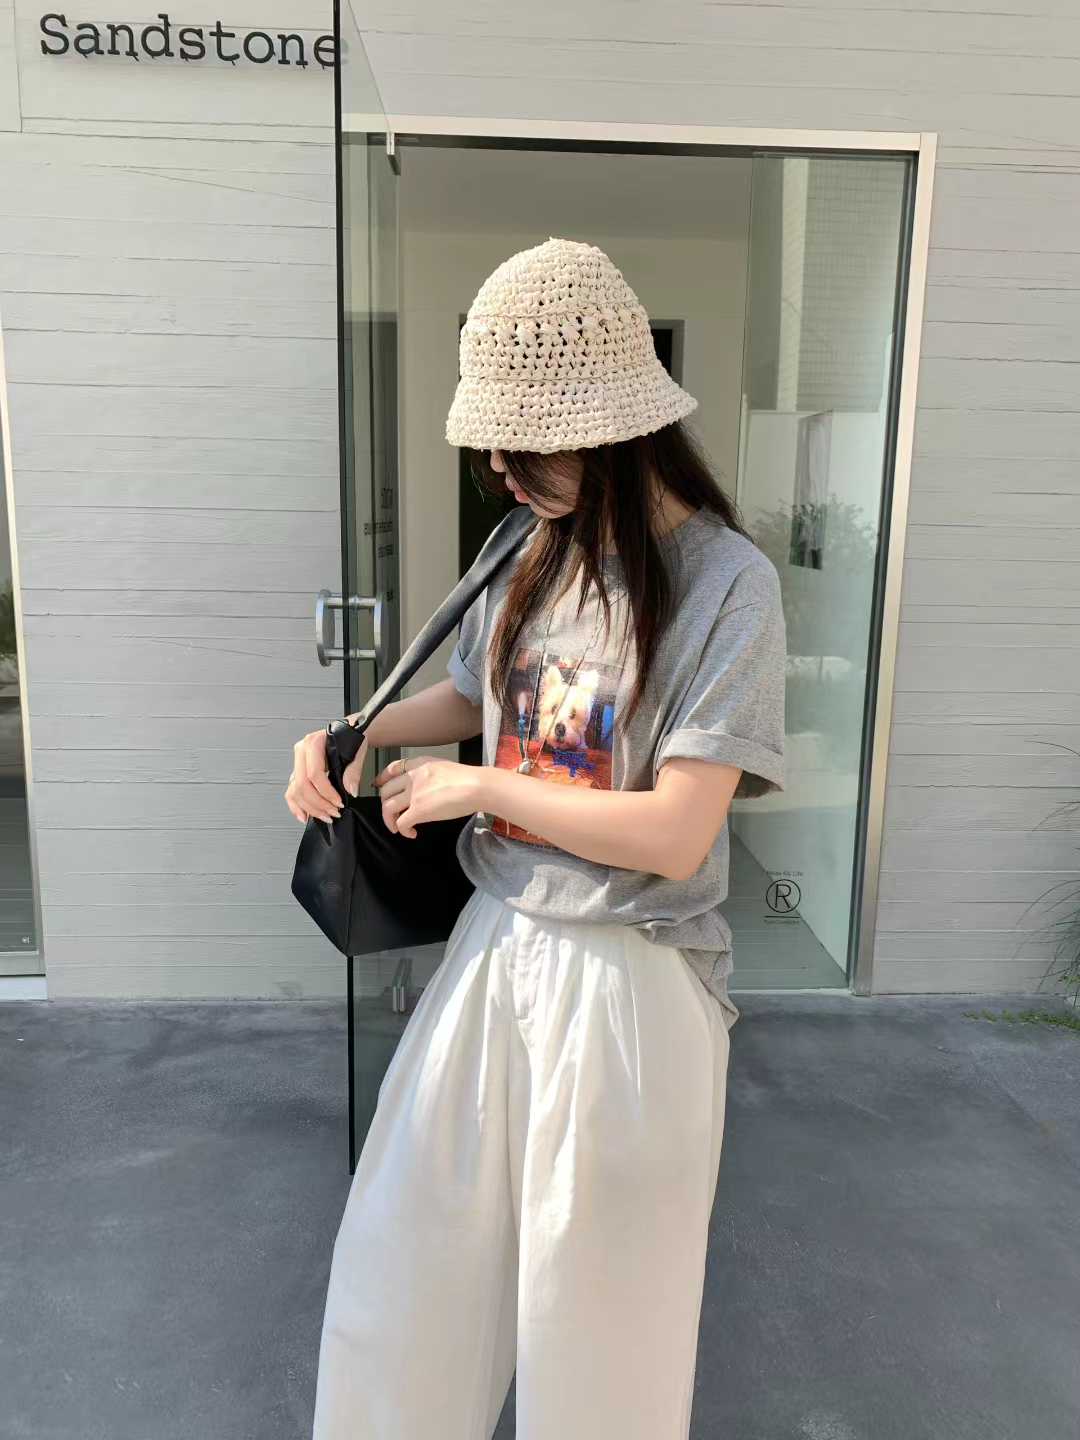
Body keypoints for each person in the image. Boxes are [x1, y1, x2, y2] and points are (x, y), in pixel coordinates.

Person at [286, 237, 787, 1440]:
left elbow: (676, 831)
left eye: (522, 449)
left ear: (608, 434)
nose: (501, 475)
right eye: (493, 452)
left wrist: (482, 789)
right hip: (496, 944)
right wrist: (354, 734)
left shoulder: (726, 585)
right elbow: (475, 696)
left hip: (631, 980)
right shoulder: (529, 546)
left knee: (598, 1334)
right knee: (403, 1278)